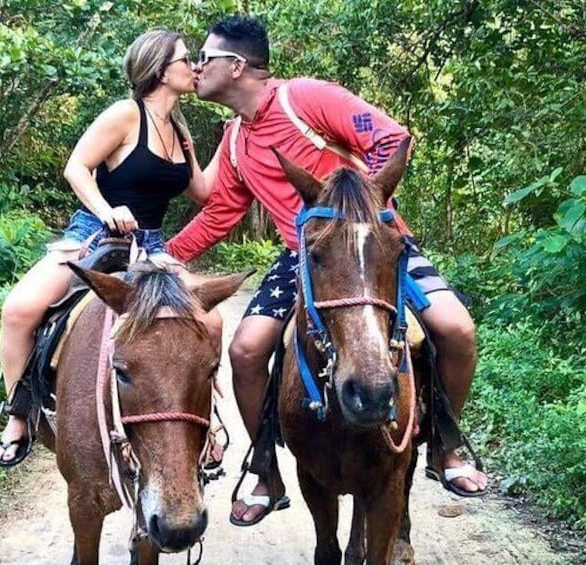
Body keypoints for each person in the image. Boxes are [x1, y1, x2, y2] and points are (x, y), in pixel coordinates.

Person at [166, 15, 488, 526]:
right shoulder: (233, 140)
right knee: (246, 350)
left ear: (237, 65)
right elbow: (220, 214)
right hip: (303, 255)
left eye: (206, 58)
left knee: (456, 329)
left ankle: (446, 444)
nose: (198, 68)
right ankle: (266, 466)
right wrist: (167, 255)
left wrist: (356, 206)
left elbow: (390, 138)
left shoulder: (306, 99)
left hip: (371, 245)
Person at [0, 29, 211, 467]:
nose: (196, 66)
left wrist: (247, 128)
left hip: (150, 245)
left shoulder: (181, 131)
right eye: (188, 59)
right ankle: (20, 416)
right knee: (18, 309)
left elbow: (202, 191)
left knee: (212, 321)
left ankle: (205, 429)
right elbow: (77, 168)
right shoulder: (126, 114)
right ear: (161, 70)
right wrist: (108, 210)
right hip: (97, 233)